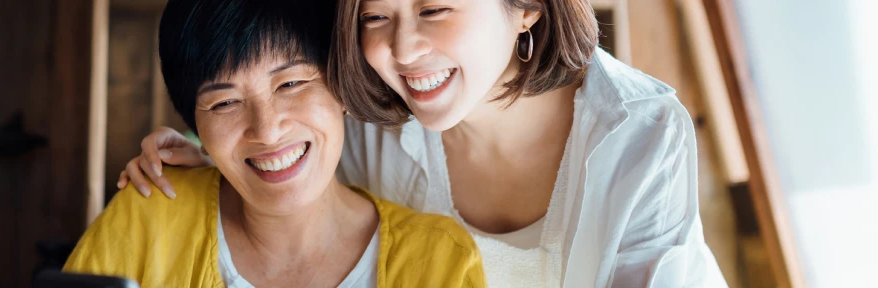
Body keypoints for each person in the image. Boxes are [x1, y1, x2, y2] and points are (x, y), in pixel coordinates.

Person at [118, 0, 728, 286]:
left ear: (527, 9)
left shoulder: (639, 131)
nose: (402, 51)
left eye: (435, 9)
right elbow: (284, 153)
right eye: (375, 17)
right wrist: (212, 162)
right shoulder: (367, 117)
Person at [64, 0, 486, 287]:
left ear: (342, 86)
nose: (266, 131)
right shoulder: (148, 218)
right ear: (194, 120)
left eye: (291, 83)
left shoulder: (440, 261)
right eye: (225, 102)